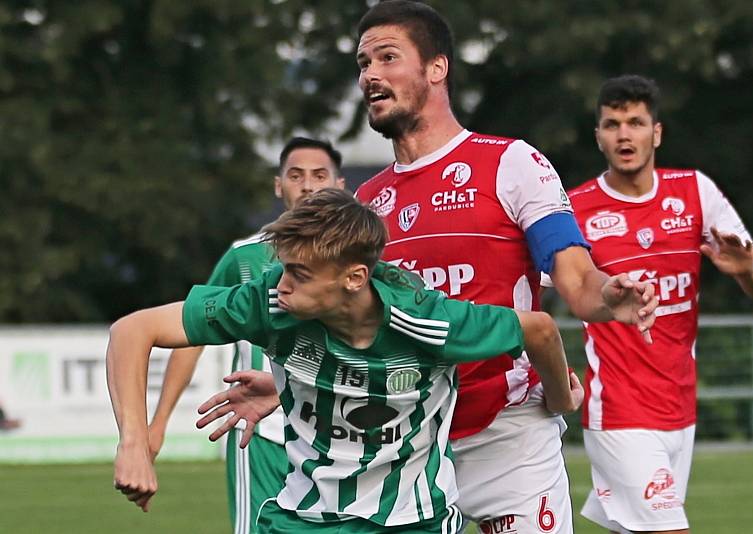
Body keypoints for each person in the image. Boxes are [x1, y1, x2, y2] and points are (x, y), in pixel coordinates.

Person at [106, 188, 582, 533]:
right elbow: (133, 330)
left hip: (411, 523)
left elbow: (539, 329)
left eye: (300, 274)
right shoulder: (269, 301)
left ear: (355, 277)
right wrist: (132, 441)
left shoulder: (429, 321)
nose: (282, 284)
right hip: (304, 519)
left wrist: (558, 400)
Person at [353, 2, 658, 533]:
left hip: (509, 435)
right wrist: (286, 378)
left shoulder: (510, 163)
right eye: (362, 63)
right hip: (406, 443)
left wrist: (610, 295)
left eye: (387, 57)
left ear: (436, 68)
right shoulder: (365, 202)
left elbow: (577, 279)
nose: (370, 74)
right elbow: (351, 323)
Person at [541, 74, 753, 534]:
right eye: (612, 124)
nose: (624, 134)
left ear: (657, 132)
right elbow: (533, 290)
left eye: (635, 122)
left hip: (679, 410)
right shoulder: (575, 210)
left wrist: (747, 269)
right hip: (618, 409)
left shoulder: (695, 192)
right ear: (598, 136)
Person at [146, 137, 346, 534]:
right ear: (279, 186)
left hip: (336, 434)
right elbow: (193, 334)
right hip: (261, 434)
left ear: (339, 187)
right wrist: (157, 424)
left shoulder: (358, 262)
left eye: (319, 176)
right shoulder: (245, 257)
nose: (307, 186)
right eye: (296, 175)